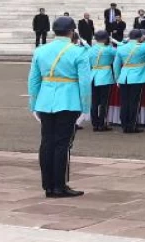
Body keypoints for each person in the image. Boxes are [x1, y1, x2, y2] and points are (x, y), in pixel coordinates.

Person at [28, 16, 90, 198]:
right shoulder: (78, 52)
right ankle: (59, 185)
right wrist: (86, 108)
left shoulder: (41, 50)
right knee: (62, 144)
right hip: (68, 100)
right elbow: (85, 83)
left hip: (45, 100)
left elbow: (33, 80)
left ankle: (48, 185)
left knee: (47, 142)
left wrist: (34, 104)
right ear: (72, 32)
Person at [113, 29, 145, 133]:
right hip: (137, 77)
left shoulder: (121, 47)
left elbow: (116, 65)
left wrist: (117, 78)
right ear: (140, 37)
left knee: (124, 102)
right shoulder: (144, 47)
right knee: (134, 102)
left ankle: (124, 124)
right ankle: (132, 125)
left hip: (124, 77)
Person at [88, 30, 117, 132]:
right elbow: (120, 52)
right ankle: (102, 123)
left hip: (93, 75)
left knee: (94, 102)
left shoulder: (90, 50)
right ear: (105, 39)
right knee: (104, 102)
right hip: (105, 76)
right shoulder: (109, 49)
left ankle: (95, 124)